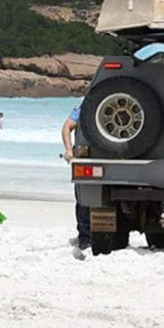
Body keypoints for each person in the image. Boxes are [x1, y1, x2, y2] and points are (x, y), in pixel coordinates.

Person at [62, 103, 90, 250]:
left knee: (83, 198)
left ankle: (85, 237)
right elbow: (67, 127)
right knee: (83, 199)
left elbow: (67, 127)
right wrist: (69, 150)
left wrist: (69, 150)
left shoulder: (86, 104)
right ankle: (85, 236)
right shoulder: (84, 106)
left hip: (86, 154)